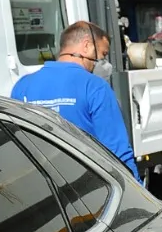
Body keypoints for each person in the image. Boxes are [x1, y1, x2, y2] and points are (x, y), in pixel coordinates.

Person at [11, 21, 140, 181]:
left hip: (39, 187)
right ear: (86, 46)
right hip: (86, 189)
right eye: (103, 54)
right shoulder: (95, 87)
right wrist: (141, 196)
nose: (104, 62)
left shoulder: (22, 86)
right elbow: (118, 153)